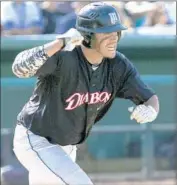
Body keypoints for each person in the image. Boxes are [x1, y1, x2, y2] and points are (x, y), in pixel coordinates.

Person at [12, 2, 159, 185]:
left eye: (116, 32)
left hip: (67, 147)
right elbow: (19, 68)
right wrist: (58, 43)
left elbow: (149, 98)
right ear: (87, 36)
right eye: (106, 33)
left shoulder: (118, 65)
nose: (113, 38)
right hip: (37, 139)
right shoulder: (64, 56)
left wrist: (151, 110)